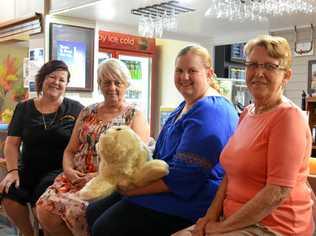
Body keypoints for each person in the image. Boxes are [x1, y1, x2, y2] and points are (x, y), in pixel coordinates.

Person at [85, 45, 239, 236]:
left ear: (209, 74)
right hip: (165, 186)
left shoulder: (211, 111)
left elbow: (185, 179)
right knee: (92, 210)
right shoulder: (186, 105)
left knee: (106, 227)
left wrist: (131, 190)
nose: (184, 77)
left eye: (192, 71)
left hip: (189, 200)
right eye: (179, 71)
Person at [174, 35, 314, 236]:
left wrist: (220, 228)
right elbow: (229, 175)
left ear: (286, 75)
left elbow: (277, 193)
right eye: (253, 65)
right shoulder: (247, 113)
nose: (259, 72)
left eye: (270, 66)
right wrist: (209, 218)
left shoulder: (288, 118)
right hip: (237, 220)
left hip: (275, 227)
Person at [36, 58, 150, 236]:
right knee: (43, 208)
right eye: (106, 82)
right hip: (73, 178)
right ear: (99, 85)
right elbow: (70, 150)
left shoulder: (135, 115)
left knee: (76, 212)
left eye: (117, 82)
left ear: (126, 84)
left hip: (105, 182)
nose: (112, 87)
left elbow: (136, 162)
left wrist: (96, 176)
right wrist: (68, 171)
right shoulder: (87, 112)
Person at [0, 60, 83, 236]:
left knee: (44, 199)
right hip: (28, 169)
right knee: (9, 192)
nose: (56, 82)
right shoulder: (24, 108)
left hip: (59, 172)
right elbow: (12, 143)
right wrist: (12, 171)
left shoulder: (76, 109)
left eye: (62, 80)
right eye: (52, 77)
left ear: (66, 85)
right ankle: (28, 233)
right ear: (42, 79)